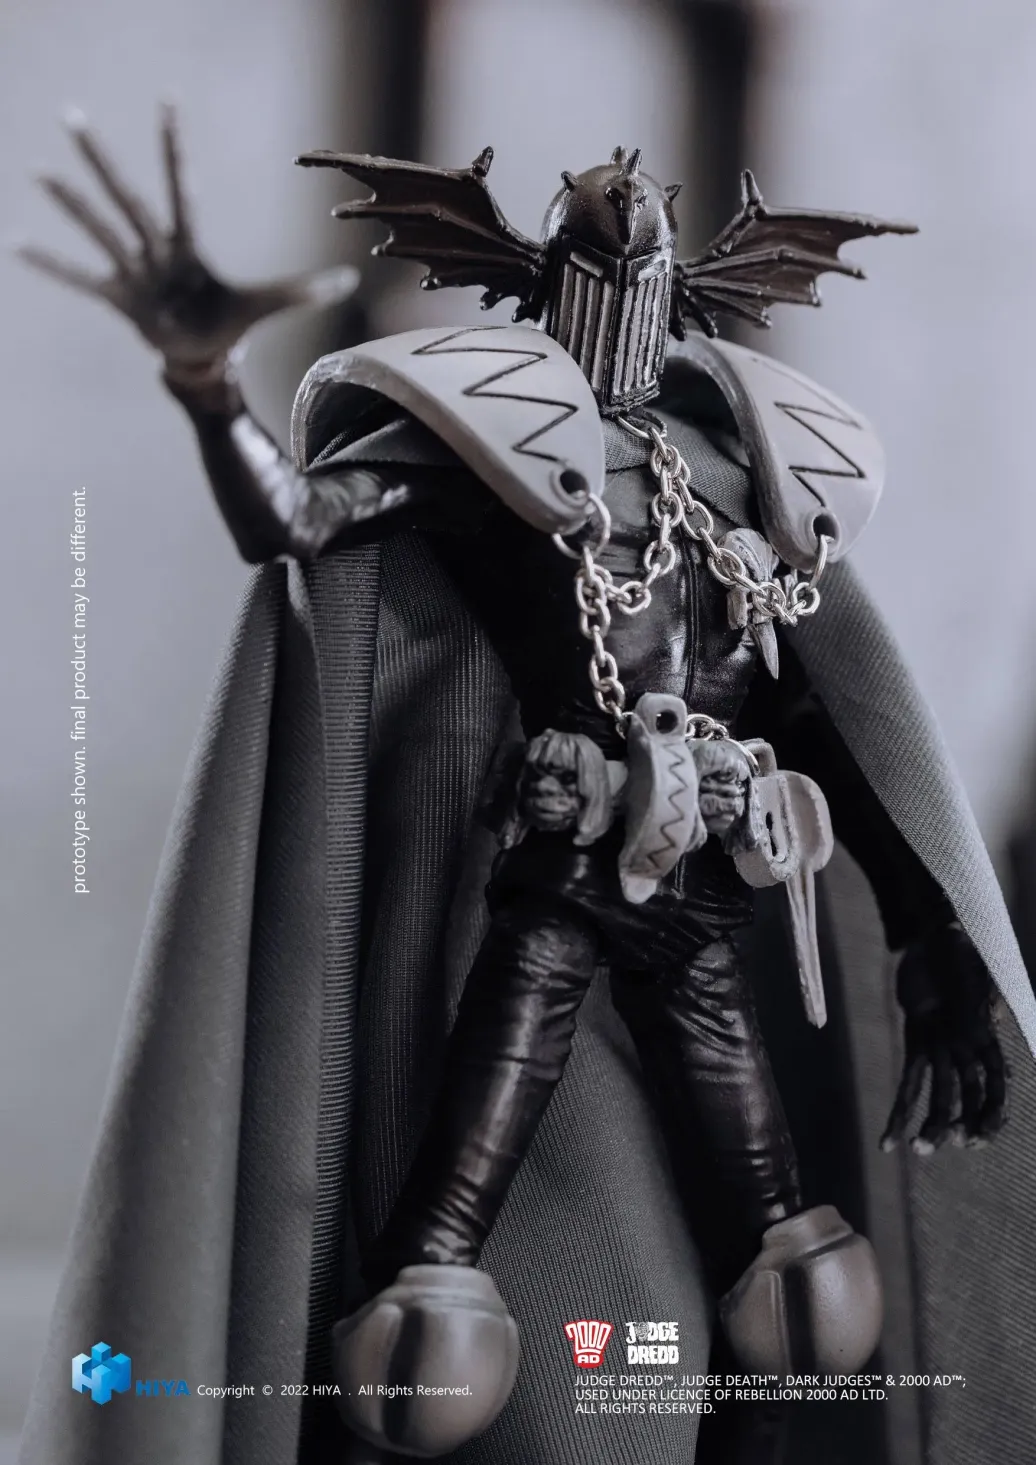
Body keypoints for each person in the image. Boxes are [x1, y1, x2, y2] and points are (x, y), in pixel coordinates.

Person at [18, 109, 1035, 1465]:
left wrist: (925, 932)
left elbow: (817, 715)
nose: (627, 260)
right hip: (564, 869)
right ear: (543, 277)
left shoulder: (741, 484)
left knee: (779, 1240)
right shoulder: (479, 469)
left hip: (700, 882)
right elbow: (296, 524)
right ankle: (434, 1321)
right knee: (456, 1204)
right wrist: (210, 391)